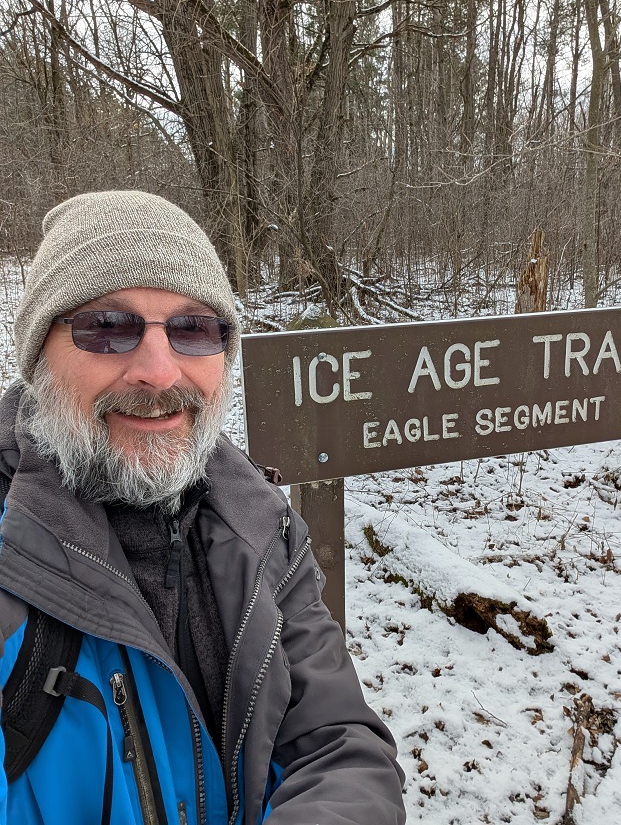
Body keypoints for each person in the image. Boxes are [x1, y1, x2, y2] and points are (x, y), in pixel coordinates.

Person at [0, 191, 406, 825]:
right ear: (36, 360)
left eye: (192, 328)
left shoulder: (259, 527)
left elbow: (338, 746)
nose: (160, 373)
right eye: (107, 327)